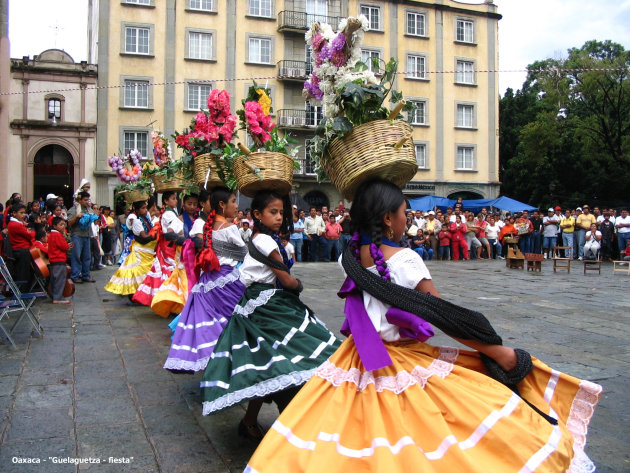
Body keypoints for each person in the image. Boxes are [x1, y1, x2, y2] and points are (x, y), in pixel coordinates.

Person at [245, 178, 601, 472]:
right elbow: (444, 316)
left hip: (354, 359)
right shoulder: (407, 259)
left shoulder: (348, 258)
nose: (408, 219)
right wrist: (500, 353)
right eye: (404, 212)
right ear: (387, 218)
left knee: (351, 435)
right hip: (401, 358)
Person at [200, 190, 340, 439]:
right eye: (273, 212)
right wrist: (298, 286)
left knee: (266, 364)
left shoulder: (260, 237)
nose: (279, 217)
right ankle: (293, 424)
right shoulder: (266, 241)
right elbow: (286, 280)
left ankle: (251, 421)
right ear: (257, 214)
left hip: (257, 304)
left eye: (281, 213)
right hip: (270, 306)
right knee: (298, 355)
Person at [164, 188, 247, 372]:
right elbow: (244, 254)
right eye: (233, 201)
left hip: (207, 282)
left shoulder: (207, 228)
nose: (237, 206)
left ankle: (215, 362)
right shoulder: (231, 228)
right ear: (222, 205)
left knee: (214, 325)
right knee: (237, 321)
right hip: (228, 279)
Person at [104, 200, 156, 297]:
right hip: (140, 248)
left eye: (146, 208)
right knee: (138, 270)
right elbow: (144, 236)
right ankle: (136, 292)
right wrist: (156, 234)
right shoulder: (135, 220)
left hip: (148, 248)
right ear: (136, 209)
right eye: (143, 208)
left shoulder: (145, 217)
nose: (145, 210)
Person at [67, 191, 96, 283]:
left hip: (87, 235)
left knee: (87, 256)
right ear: (79, 200)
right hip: (77, 235)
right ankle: (75, 275)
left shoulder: (88, 209)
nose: (87, 201)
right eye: (85, 200)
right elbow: (69, 223)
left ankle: (86, 275)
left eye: (88, 199)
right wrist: (77, 217)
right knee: (76, 256)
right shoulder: (74, 209)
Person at [7, 203, 35, 290]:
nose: (23, 215)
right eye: (21, 213)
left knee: (25, 272)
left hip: (21, 249)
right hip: (21, 250)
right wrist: (29, 231)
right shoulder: (16, 224)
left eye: (24, 213)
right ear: (14, 213)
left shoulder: (18, 223)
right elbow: (31, 235)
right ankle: (22, 291)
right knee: (23, 273)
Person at [48, 217, 73, 304]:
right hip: (58, 260)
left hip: (54, 261)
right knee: (59, 279)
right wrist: (67, 245)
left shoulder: (52, 235)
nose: (63, 227)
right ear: (55, 226)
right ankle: (57, 297)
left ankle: (54, 295)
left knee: (55, 279)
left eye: (64, 225)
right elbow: (64, 247)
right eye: (61, 225)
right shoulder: (57, 235)